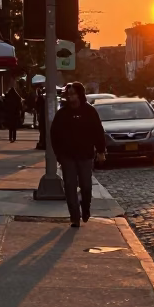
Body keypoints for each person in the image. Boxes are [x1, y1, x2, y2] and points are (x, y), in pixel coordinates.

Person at [49, 81, 106, 227]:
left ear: (80, 94)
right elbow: (54, 135)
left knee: (86, 186)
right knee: (70, 186)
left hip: (86, 155)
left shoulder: (90, 111)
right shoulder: (62, 114)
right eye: (69, 94)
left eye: (73, 94)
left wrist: (100, 151)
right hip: (67, 157)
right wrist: (58, 155)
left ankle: (85, 208)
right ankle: (74, 216)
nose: (71, 97)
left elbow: (98, 132)